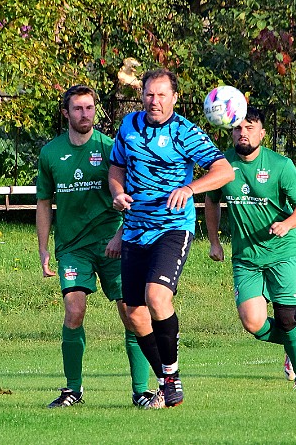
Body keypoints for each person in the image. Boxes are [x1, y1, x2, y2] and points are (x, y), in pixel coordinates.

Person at [108, 69, 235, 409]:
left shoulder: (185, 132)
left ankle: (171, 376)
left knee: (157, 296)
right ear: (143, 96)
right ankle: (167, 381)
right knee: (133, 313)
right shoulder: (129, 126)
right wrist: (118, 193)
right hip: (135, 229)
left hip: (173, 227)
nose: (155, 101)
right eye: (150, 94)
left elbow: (224, 170)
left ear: (174, 98)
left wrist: (190, 188)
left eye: (162, 95)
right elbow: (116, 168)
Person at [36, 85, 153, 408]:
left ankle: (141, 390)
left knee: (132, 313)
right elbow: (44, 202)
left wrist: (125, 234)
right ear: (66, 113)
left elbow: (131, 196)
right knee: (74, 311)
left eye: (89, 108)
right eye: (77, 108)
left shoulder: (110, 148)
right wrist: (43, 248)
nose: (84, 114)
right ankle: (73, 389)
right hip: (73, 246)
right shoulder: (50, 153)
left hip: (113, 243)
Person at [205, 106, 296, 391]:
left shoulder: (280, 165)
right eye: (238, 128)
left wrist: (288, 224)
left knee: (287, 318)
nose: (243, 133)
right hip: (246, 257)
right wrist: (214, 241)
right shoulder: (222, 166)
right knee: (253, 323)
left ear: (262, 133)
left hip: (282, 253)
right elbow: (212, 201)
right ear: (231, 132)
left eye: (250, 127)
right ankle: (294, 342)